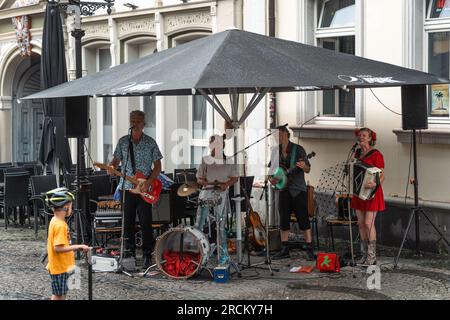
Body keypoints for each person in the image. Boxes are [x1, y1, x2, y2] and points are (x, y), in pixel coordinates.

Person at [108, 110, 163, 269]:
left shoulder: (150, 142)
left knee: (146, 223)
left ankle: (148, 255)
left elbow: (158, 167)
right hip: (127, 188)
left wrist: (149, 181)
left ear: (144, 123)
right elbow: (115, 161)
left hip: (145, 188)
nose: (135, 123)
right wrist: (111, 167)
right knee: (128, 223)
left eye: (138, 120)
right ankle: (129, 253)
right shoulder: (123, 142)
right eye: (132, 120)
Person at [269, 124, 315, 261]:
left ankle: (309, 248)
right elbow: (272, 171)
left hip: (298, 190)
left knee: (303, 219)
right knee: (283, 218)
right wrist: (272, 179)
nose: (275, 137)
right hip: (283, 189)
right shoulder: (275, 151)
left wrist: (303, 166)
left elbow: (308, 169)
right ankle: (285, 248)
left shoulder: (298, 150)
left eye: (277, 134)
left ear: (285, 134)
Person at [194, 134, 238, 265]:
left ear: (222, 146)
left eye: (216, 146)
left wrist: (226, 184)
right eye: (212, 146)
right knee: (200, 223)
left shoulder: (228, 160)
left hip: (221, 193)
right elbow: (199, 179)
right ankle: (199, 252)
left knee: (221, 223)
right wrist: (207, 182)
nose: (213, 149)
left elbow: (235, 177)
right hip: (207, 192)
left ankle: (223, 253)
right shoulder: (205, 160)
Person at [45, 187, 89, 300]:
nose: (72, 207)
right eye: (71, 205)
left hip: (61, 265)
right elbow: (58, 248)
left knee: (61, 294)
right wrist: (78, 246)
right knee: (58, 296)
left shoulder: (55, 220)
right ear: (66, 206)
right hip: (59, 267)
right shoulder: (60, 225)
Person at [351, 127, 385, 266]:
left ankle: (372, 256)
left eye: (364, 135)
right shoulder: (357, 153)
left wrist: (374, 183)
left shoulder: (376, 154)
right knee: (360, 224)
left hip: (372, 193)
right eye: (360, 135)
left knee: (368, 223)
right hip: (359, 193)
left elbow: (382, 175)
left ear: (370, 138)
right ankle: (364, 254)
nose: (361, 138)